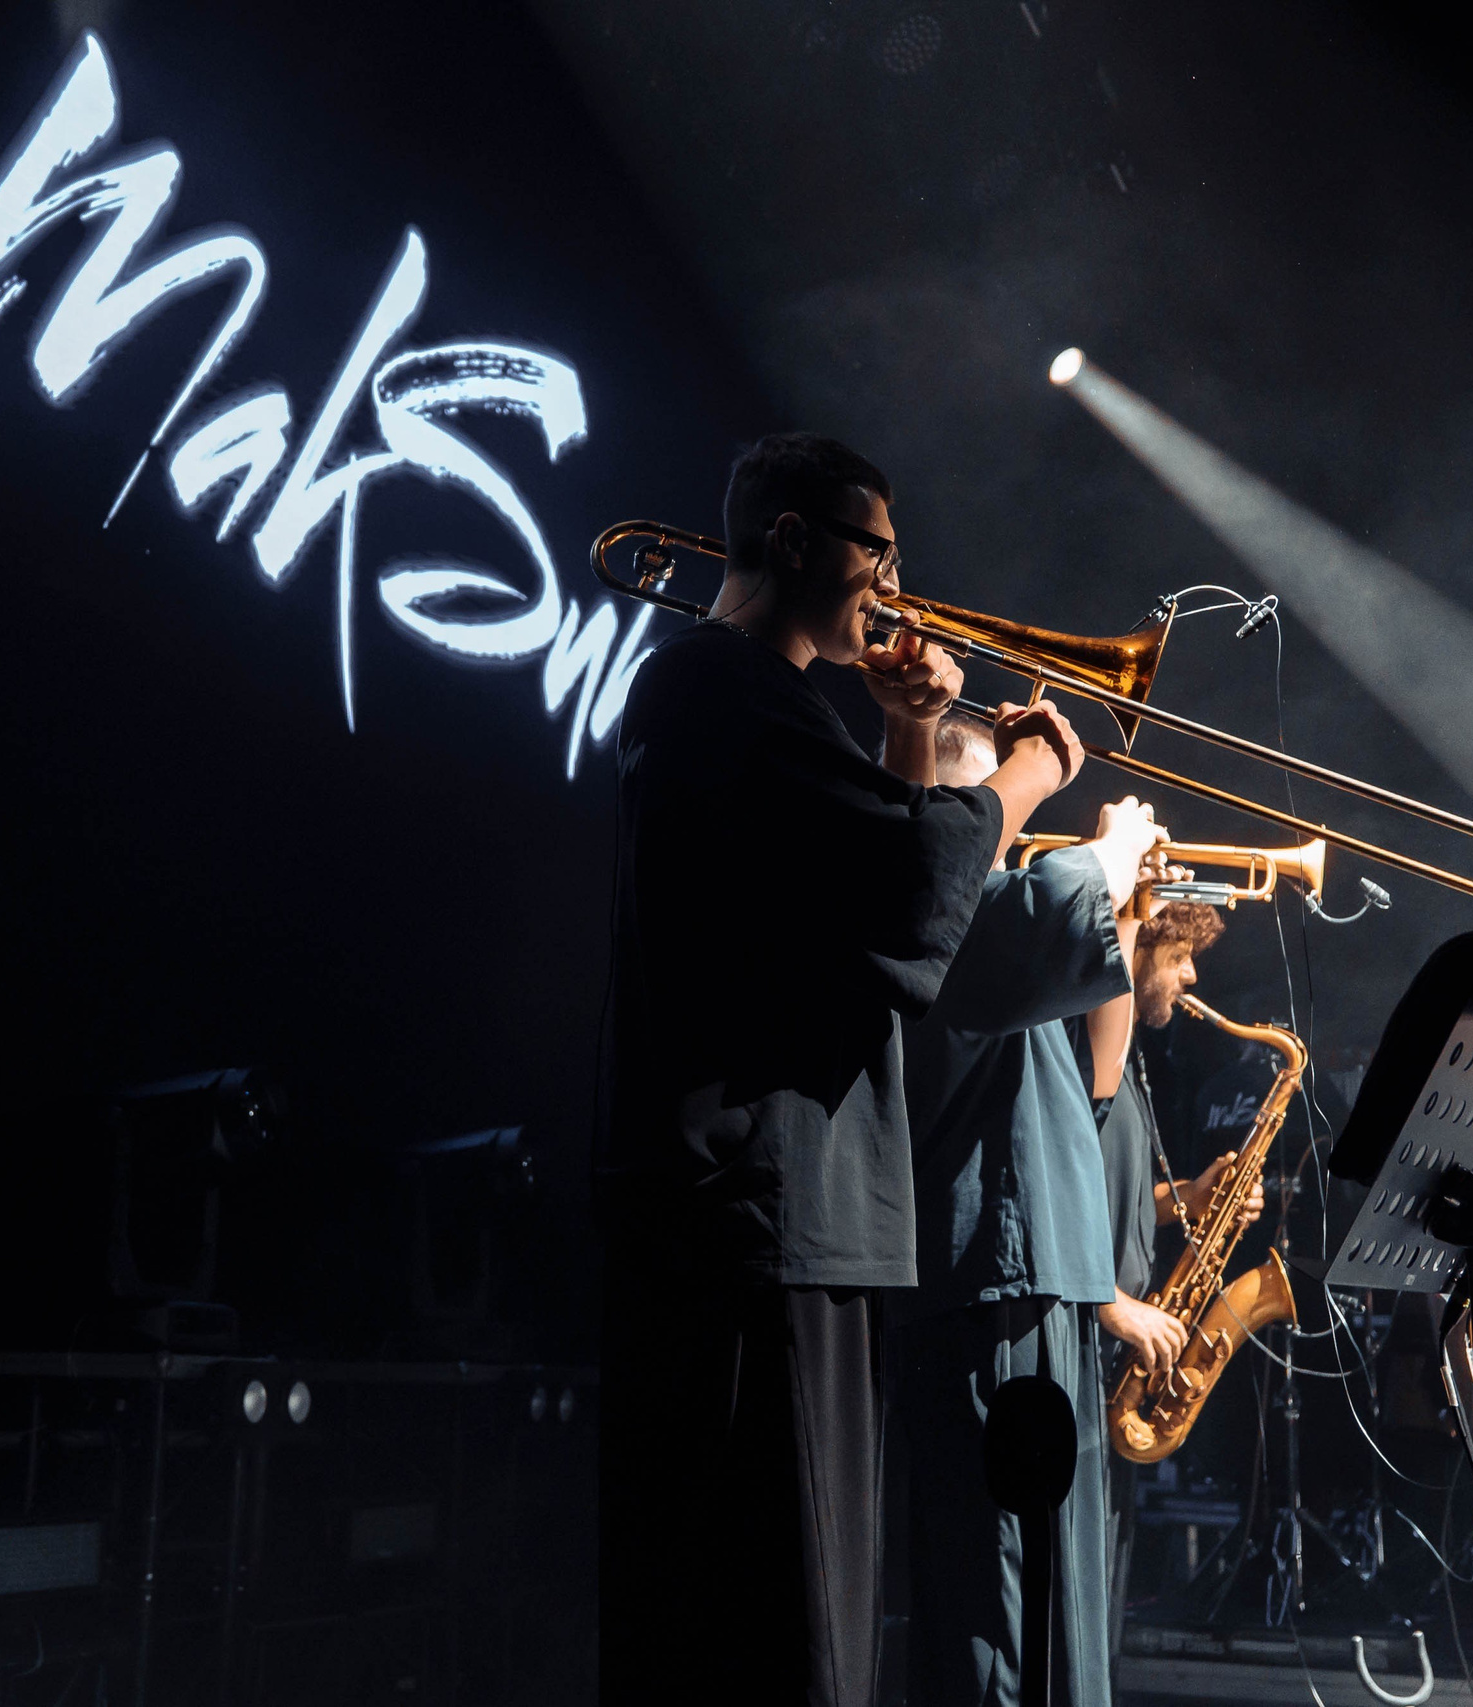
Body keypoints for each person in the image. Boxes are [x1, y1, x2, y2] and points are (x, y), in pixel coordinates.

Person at [596, 435, 1089, 1707]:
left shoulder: (738, 699)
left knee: (797, 1618)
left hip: (779, 1214)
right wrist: (1026, 775)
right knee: (785, 1626)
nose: (893, 584)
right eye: (876, 551)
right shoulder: (728, 688)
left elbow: (856, 936)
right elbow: (907, 886)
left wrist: (908, 733)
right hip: (765, 1216)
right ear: (797, 541)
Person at [895, 709, 1167, 1707]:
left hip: (1038, 1284)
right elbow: (1029, 919)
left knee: (1055, 1600)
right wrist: (1104, 853)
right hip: (987, 1287)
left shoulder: (1002, 929)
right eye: (977, 808)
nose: (992, 828)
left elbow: (1100, 1078)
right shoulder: (940, 919)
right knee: (996, 1601)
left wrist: (1125, 901)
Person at [1075, 891, 1256, 1669]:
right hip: (1085, 1344)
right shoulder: (1084, 1051)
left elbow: (1109, 1203)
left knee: (1101, 1602)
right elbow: (1040, 1190)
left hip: (1116, 1358)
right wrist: (1111, 1302)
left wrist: (1192, 1198)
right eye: (1179, 957)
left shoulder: (1132, 1064)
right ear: (1137, 947)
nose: (1188, 978)